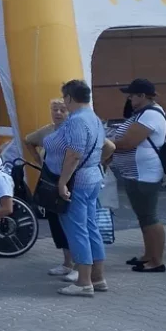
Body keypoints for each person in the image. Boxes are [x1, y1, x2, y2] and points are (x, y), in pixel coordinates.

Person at [43, 80, 112, 297]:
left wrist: (62, 182)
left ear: (69, 98)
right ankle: (98, 278)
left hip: (77, 181)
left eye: (64, 98)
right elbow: (107, 146)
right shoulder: (94, 118)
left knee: (77, 229)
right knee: (90, 226)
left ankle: (83, 282)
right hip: (92, 177)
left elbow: (74, 154)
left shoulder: (76, 120)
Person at [110, 78, 166, 272]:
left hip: (145, 174)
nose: (129, 98)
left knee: (150, 217)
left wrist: (106, 143)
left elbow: (128, 143)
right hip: (135, 173)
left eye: (132, 95)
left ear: (142, 96)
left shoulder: (150, 114)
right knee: (144, 217)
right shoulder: (143, 113)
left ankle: (157, 261)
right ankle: (148, 255)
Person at [24, 99, 75, 277]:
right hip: (52, 180)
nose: (58, 113)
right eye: (55, 109)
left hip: (71, 181)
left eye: (62, 110)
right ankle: (67, 262)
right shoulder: (47, 130)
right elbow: (28, 140)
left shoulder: (74, 130)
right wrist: (39, 161)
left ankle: (79, 265)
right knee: (55, 221)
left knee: (72, 221)